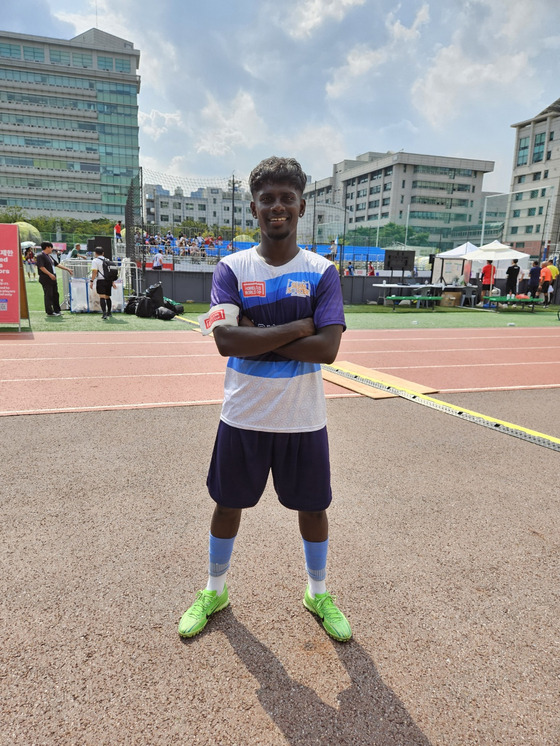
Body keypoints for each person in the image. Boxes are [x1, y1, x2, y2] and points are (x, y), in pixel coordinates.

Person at [178, 156, 351, 642]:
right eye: (268, 199)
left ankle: (317, 592)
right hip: (243, 415)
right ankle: (215, 590)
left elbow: (329, 349)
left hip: (303, 418)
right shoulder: (231, 267)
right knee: (227, 503)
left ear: (301, 206)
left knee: (313, 508)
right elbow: (226, 342)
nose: (277, 207)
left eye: (286, 198)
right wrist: (299, 328)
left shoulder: (322, 271)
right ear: (254, 207)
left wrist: (262, 334)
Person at [36, 242, 73, 316]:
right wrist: (50, 274)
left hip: (53, 278)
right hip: (46, 278)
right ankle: (49, 312)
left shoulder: (49, 256)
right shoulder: (40, 256)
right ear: (47, 247)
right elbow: (41, 267)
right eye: (51, 247)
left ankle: (57, 310)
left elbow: (57, 264)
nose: (52, 249)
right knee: (48, 295)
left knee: (55, 294)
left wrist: (67, 269)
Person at [90, 247, 116, 319]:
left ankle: (104, 313)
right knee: (107, 297)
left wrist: (91, 281)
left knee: (102, 296)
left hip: (101, 280)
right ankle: (109, 312)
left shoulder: (95, 261)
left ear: (95, 253)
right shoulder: (107, 260)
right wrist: (112, 281)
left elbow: (94, 272)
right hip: (108, 280)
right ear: (103, 253)